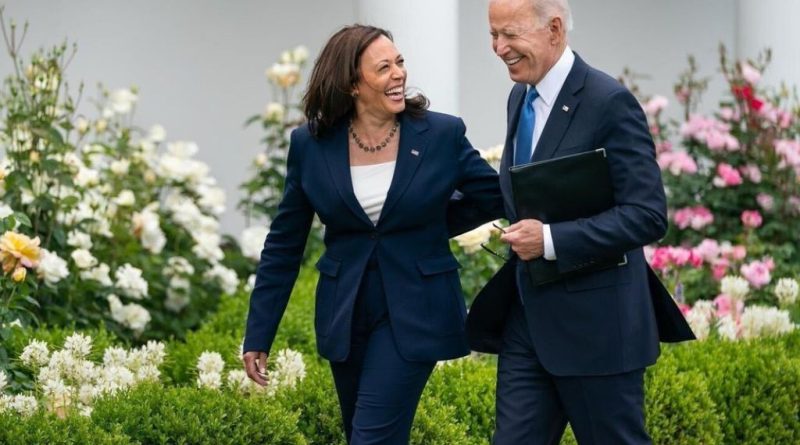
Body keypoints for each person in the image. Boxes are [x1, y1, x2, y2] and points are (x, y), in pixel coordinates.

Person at [242, 24, 503, 445]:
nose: (399, 73)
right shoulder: (311, 144)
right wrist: (259, 334)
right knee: (361, 435)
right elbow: (284, 244)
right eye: (383, 68)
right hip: (345, 313)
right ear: (352, 85)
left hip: (415, 310)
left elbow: (495, 197)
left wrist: (435, 224)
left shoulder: (440, 134)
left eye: (399, 62)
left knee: (372, 439)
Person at [475, 0, 694, 444]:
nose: (499, 47)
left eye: (510, 34)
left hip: (598, 329)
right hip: (527, 321)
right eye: (493, 35)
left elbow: (647, 215)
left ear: (554, 28)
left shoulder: (608, 102)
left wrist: (551, 240)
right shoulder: (520, 95)